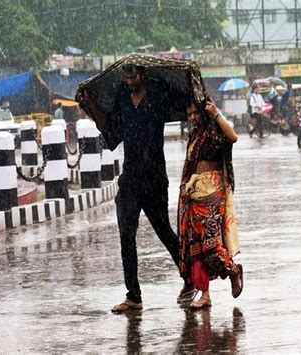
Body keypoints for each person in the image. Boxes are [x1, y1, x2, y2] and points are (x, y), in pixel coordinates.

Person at [82, 63, 196, 312]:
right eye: (126, 77)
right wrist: (91, 104)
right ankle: (133, 295)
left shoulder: (159, 93)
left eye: (133, 76)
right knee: (126, 236)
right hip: (130, 178)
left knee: (164, 231)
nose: (129, 81)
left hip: (154, 177)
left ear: (143, 75)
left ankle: (190, 278)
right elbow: (112, 131)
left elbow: (185, 101)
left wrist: (194, 92)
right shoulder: (122, 97)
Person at [178, 96, 243, 309]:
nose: (193, 117)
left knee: (212, 247)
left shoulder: (215, 132)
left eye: (196, 113)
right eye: (189, 114)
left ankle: (233, 271)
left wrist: (216, 113)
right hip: (194, 197)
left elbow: (233, 137)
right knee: (195, 249)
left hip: (213, 195)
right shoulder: (194, 137)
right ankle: (205, 295)